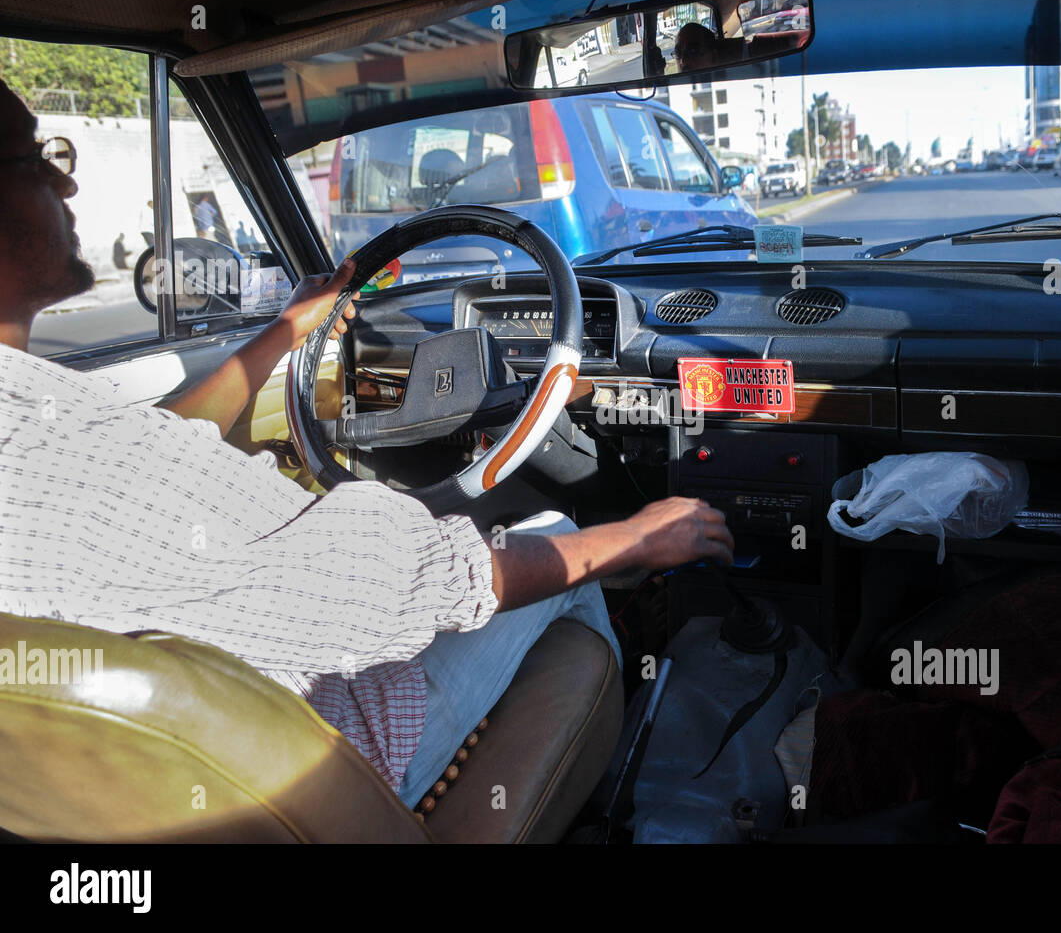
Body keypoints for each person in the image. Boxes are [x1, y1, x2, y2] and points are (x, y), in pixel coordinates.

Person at [0, 78, 734, 806]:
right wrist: (635, 540)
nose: (65, 183)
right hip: (320, 753)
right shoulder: (54, 443)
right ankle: (620, 789)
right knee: (561, 538)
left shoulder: (45, 422)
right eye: (37, 159)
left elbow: (155, 437)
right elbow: (413, 583)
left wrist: (287, 332)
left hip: (148, 784)